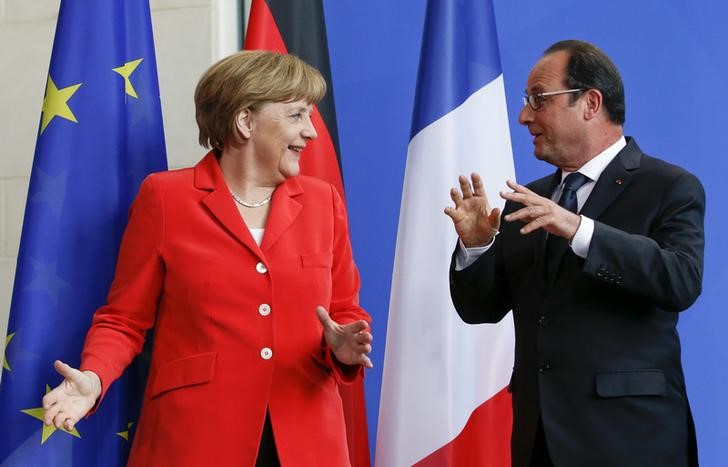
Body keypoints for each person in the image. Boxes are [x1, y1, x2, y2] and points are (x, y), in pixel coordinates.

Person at [41, 50, 373, 467]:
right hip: (194, 439)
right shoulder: (165, 198)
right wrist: (93, 377)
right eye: (296, 115)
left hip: (307, 440)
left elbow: (344, 310)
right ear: (245, 121)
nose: (311, 132)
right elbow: (123, 320)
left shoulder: (324, 202)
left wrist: (343, 347)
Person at [445, 40, 704, 467]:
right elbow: (480, 308)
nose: (524, 115)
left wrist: (578, 228)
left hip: (630, 440)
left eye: (538, 100)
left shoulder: (669, 186)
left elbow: (680, 279)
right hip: (539, 440)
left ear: (590, 102)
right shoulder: (528, 200)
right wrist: (477, 246)